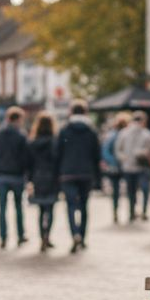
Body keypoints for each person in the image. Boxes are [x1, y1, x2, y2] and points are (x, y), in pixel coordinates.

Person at [56, 100, 101, 253]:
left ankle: (74, 233)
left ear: (71, 112)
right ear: (86, 112)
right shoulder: (91, 131)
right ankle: (82, 236)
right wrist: (98, 178)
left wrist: (58, 173)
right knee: (84, 206)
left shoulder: (64, 130)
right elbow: (96, 156)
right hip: (86, 174)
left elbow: (58, 153)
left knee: (70, 206)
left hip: (67, 173)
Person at [0, 106, 30, 248]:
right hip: (17, 176)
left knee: (2, 209)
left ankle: (3, 237)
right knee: (18, 207)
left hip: (2, 175)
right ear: (18, 119)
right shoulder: (22, 136)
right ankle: (20, 235)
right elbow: (26, 158)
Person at [26, 112, 60, 252]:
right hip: (52, 177)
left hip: (37, 177)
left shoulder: (32, 143)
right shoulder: (55, 142)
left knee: (40, 209)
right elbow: (57, 160)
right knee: (50, 208)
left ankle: (42, 236)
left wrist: (29, 179)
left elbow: (28, 162)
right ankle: (47, 235)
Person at [114, 111, 150, 222]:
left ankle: (132, 212)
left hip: (130, 166)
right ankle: (142, 211)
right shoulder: (146, 134)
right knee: (144, 190)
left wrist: (124, 158)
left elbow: (117, 150)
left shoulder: (123, 133)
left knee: (132, 191)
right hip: (140, 167)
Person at [100, 113, 126, 220]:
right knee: (127, 188)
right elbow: (106, 151)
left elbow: (105, 151)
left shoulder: (112, 135)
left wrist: (112, 161)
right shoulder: (116, 135)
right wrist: (114, 161)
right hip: (122, 165)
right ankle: (128, 210)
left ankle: (116, 209)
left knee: (116, 189)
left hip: (117, 165)